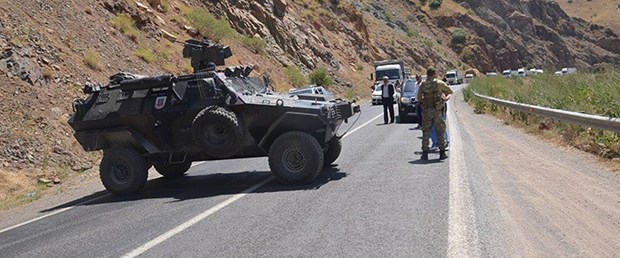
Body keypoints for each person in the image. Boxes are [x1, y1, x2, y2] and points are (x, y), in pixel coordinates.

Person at [416, 67, 453, 160]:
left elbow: (419, 98)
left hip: (427, 111)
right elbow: (450, 91)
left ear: (427, 74)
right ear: (434, 74)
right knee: (440, 131)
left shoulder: (422, 85)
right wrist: (445, 98)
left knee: (426, 132)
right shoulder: (439, 83)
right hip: (437, 111)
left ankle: (425, 153)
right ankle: (442, 152)